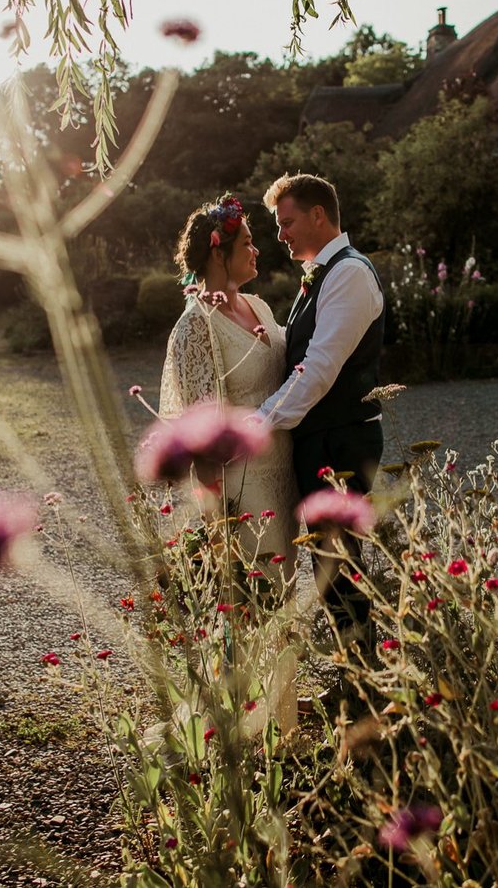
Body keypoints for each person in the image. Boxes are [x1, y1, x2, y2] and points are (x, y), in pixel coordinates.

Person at [256, 173, 387, 661]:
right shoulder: (323, 272)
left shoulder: (349, 273)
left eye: (286, 222)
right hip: (325, 436)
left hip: (341, 439)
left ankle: (366, 688)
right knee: (332, 566)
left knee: (339, 568)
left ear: (318, 215)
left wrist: (257, 425)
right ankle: (359, 680)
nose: (280, 235)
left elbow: (320, 368)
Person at [158, 194, 297, 580]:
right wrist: (217, 525)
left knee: (283, 601)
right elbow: (199, 432)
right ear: (219, 255)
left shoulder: (260, 308)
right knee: (255, 603)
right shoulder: (195, 327)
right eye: (247, 243)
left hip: (284, 478)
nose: (256, 250)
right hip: (242, 488)